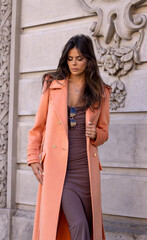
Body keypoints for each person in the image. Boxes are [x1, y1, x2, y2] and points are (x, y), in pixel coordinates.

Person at [27, 34, 111, 240]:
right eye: (70, 58)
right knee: (79, 224)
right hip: (59, 171)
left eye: (79, 58)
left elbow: (104, 131)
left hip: (86, 171)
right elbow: (38, 127)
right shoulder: (52, 84)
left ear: (88, 60)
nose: (74, 63)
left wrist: (96, 135)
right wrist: (32, 158)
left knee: (88, 227)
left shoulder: (101, 91)